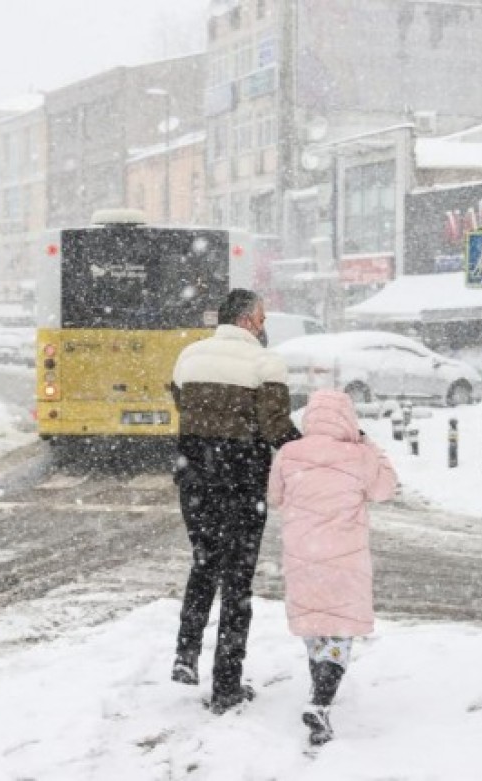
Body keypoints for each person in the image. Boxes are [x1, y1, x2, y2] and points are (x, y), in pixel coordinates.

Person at [169, 288, 301, 715]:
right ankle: (226, 685)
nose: (264, 327)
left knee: (204, 560)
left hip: (194, 475)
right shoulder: (266, 363)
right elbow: (277, 427)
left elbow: (182, 402)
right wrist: (315, 449)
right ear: (247, 321)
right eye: (261, 319)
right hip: (242, 479)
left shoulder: (189, 356)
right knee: (238, 580)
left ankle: (185, 654)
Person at [268, 389, 397, 746]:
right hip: (346, 560)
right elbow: (387, 488)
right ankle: (321, 701)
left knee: (315, 625)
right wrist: (369, 444)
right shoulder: (358, 456)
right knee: (339, 629)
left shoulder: (289, 453)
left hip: (303, 557)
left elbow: (274, 496)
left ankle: (317, 687)